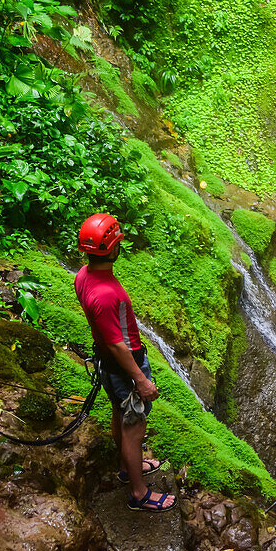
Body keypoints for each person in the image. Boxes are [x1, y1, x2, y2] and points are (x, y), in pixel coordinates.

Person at [75, 213, 176, 512]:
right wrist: (141, 379)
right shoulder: (106, 294)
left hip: (108, 365)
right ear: (113, 248)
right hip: (123, 366)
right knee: (134, 426)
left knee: (120, 413)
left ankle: (126, 467)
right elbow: (116, 344)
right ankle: (139, 493)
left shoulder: (84, 275)